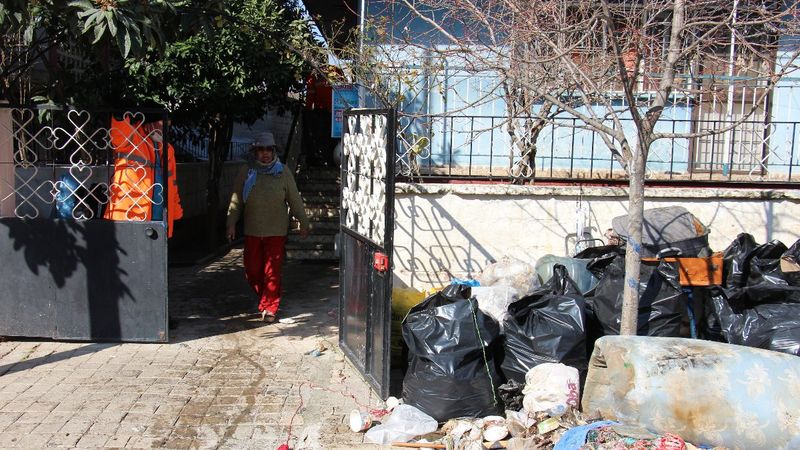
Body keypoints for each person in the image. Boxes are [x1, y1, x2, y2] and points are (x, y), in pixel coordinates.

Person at [226, 132, 310, 322]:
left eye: (269, 150)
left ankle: (270, 307)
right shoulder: (247, 171)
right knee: (253, 270)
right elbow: (236, 200)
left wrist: (303, 222)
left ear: (274, 151)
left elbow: (294, 199)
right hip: (252, 230)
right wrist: (231, 223)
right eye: (261, 150)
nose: (265, 153)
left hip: (276, 231)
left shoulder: (283, 171)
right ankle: (266, 297)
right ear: (255, 152)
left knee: (272, 271)